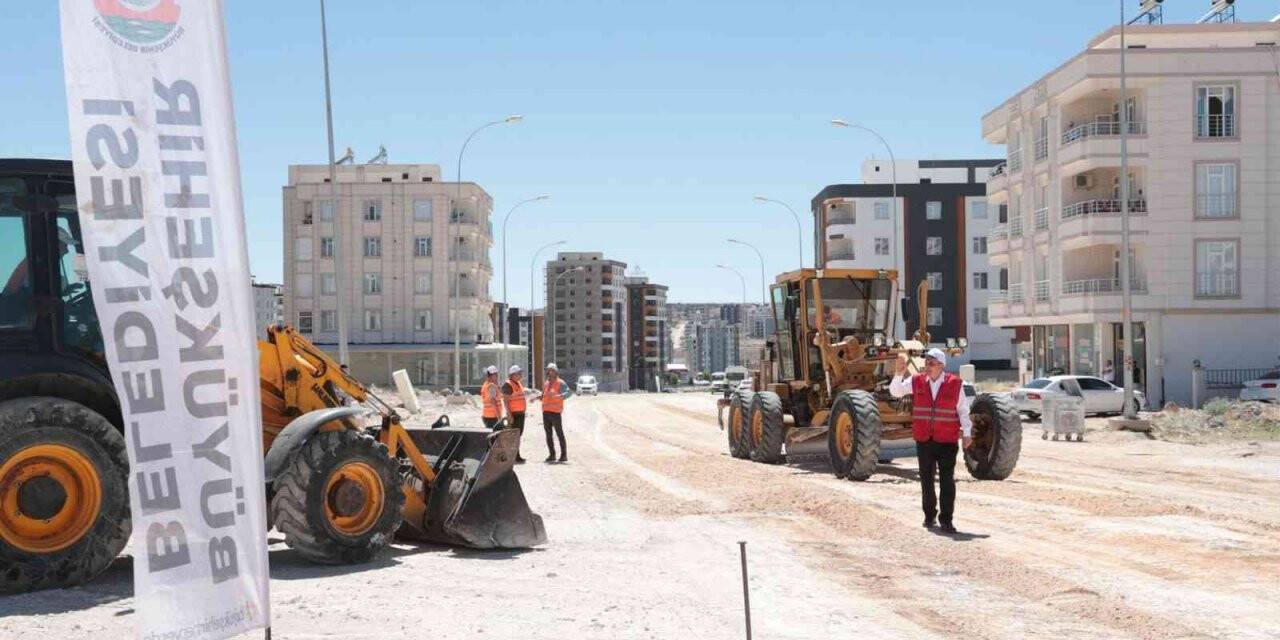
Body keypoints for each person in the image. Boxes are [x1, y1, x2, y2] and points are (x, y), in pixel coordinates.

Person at [889, 348, 972, 535]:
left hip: (947, 440)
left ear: (941, 366)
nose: (927, 366)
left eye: (932, 363)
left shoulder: (955, 383)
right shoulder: (917, 380)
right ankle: (929, 515)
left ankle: (947, 521)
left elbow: (963, 411)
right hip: (925, 440)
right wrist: (899, 373)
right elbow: (895, 392)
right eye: (926, 362)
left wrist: (967, 433)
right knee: (926, 480)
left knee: (947, 481)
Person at [538, 362, 572, 462]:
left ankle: (563, 455)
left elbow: (569, 393)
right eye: (547, 370)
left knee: (559, 434)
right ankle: (552, 455)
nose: (548, 372)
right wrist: (537, 397)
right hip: (546, 413)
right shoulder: (546, 383)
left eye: (550, 370)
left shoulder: (560, 383)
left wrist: (560, 396)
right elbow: (543, 396)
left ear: (555, 372)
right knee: (548, 435)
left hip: (555, 413)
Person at [501, 364, 529, 464]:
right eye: (519, 373)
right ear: (513, 375)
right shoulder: (508, 385)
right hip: (514, 415)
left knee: (517, 435)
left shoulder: (518, 383)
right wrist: (509, 415)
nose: (521, 375)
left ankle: (516, 456)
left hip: (520, 414)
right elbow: (505, 400)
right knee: (513, 436)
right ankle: (511, 456)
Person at [480, 365, 502, 430]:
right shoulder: (491, 386)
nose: (497, 377)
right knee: (496, 437)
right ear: (490, 375)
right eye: (496, 375)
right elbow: (493, 402)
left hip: (487, 415)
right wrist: (499, 417)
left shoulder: (485, 385)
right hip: (492, 417)